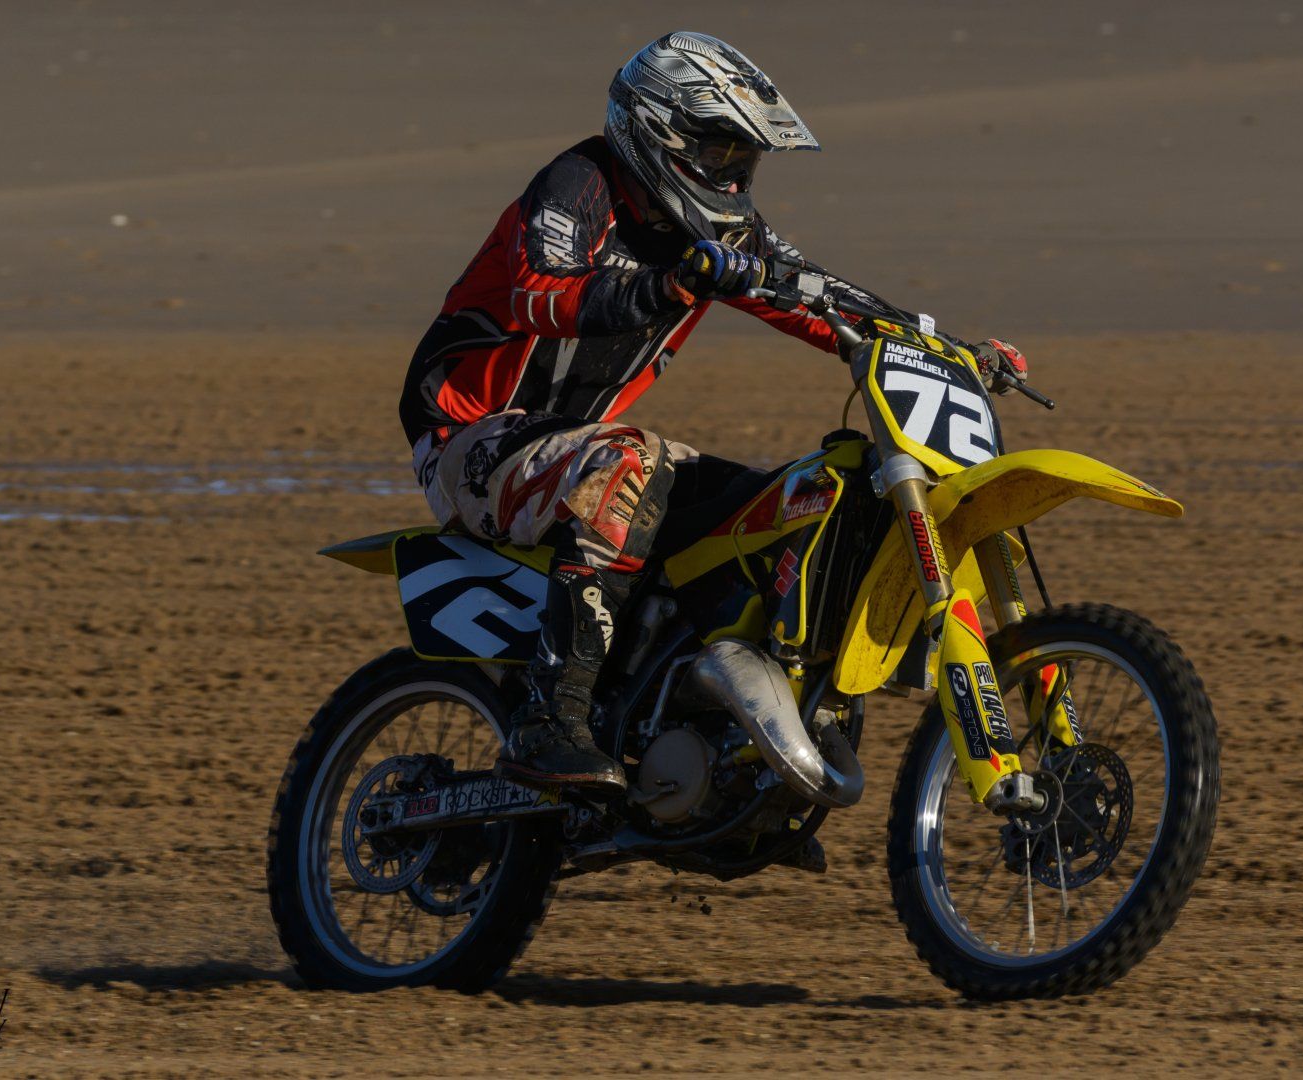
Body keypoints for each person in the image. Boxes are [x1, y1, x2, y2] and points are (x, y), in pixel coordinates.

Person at [398, 32, 1026, 793]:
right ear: (660, 132)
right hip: (471, 438)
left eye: (744, 159)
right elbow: (543, 290)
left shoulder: (719, 233)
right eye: (719, 153)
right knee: (629, 466)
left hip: (574, 445)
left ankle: (718, 744)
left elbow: (823, 302)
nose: (733, 175)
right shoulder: (579, 182)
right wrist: (666, 284)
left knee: (783, 503)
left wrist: (948, 348)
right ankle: (548, 717)